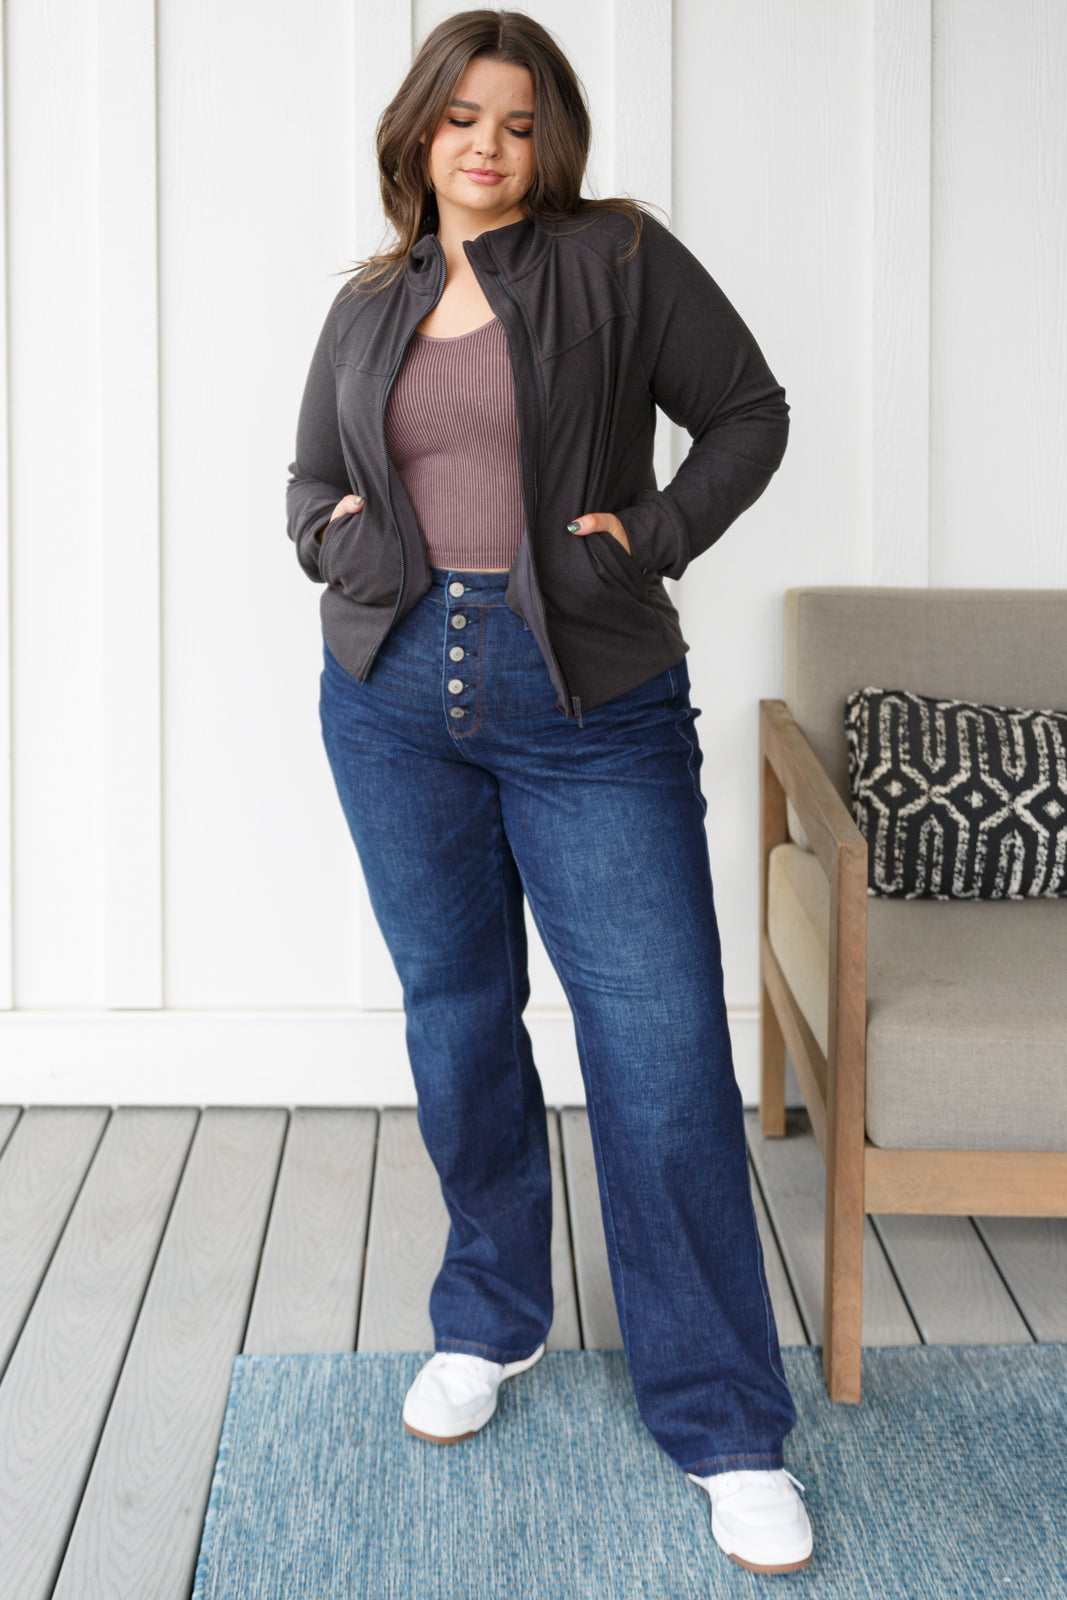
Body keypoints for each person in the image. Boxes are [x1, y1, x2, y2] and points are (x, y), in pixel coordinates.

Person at [287, 7, 812, 1577]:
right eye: (462, 119)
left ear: (551, 140)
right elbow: (310, 484)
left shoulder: (618, 258)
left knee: (658, 1053)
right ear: (418, 131)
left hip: (591, 705)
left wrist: (645, 540)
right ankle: (491, 1315)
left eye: (518, 124)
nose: (489, 149)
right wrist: (339, 546)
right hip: (393, 701)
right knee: (458, 1021)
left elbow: (751, 411)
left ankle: (725, 1423)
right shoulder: (372, 300)